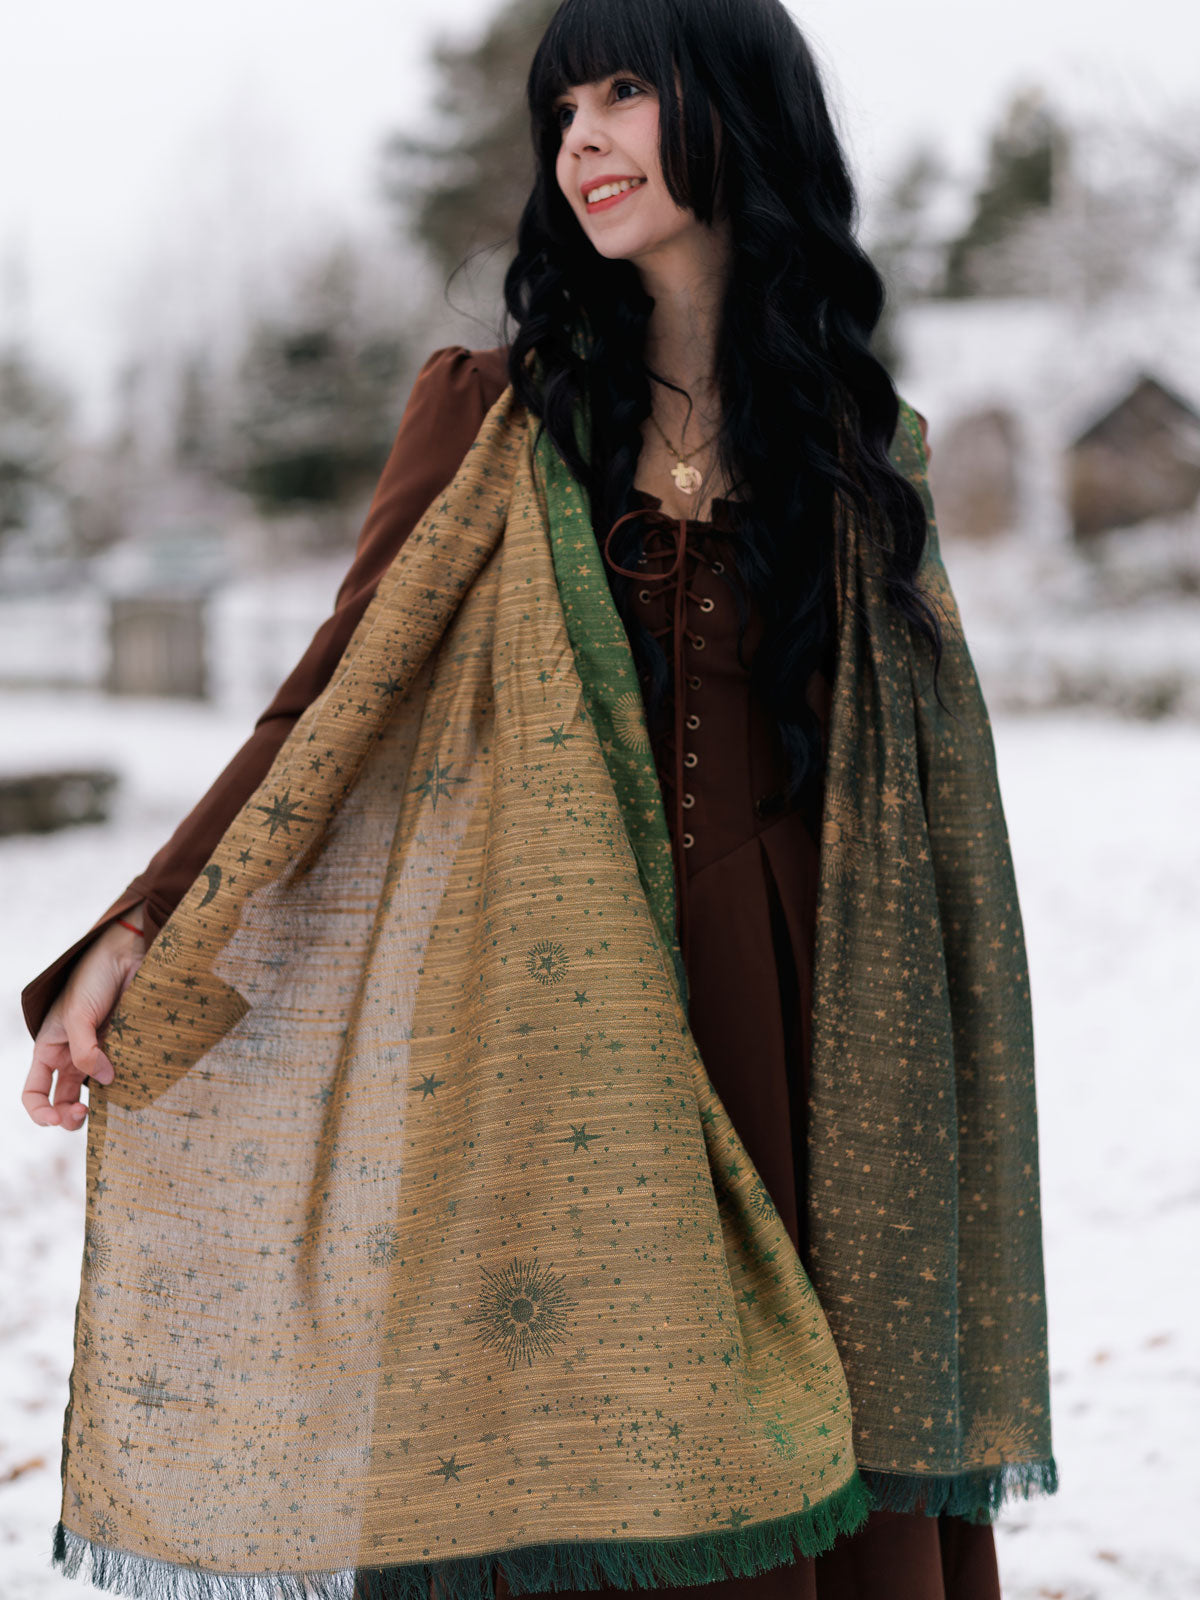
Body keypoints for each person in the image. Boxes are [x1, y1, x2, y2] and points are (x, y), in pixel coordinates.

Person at [21, 1, 1017, 1596]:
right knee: (590, 1443)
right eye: (563, 109)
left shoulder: (849, 440)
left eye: (628, 92)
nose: (585, 142)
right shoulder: (494, 414)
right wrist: (145, 925)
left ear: (736, 111)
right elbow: (327, 699)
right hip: (555, 1010)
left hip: (808, 1012)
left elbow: (917, 779)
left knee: (810, 1448)